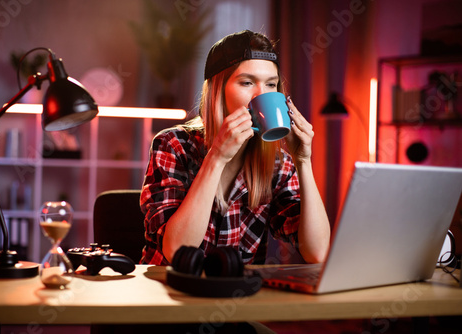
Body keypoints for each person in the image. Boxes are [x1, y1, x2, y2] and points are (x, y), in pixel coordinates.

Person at [140, 30, 330, 266]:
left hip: (237, 297)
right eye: (247, 82)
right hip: (170, 292)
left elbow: (317, 252)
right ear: (219, 90)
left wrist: (303, 161)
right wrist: (217, 158)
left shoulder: (278, 165)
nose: (261, 94)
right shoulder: (173, 145)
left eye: (271, 84)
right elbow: (177, 250)